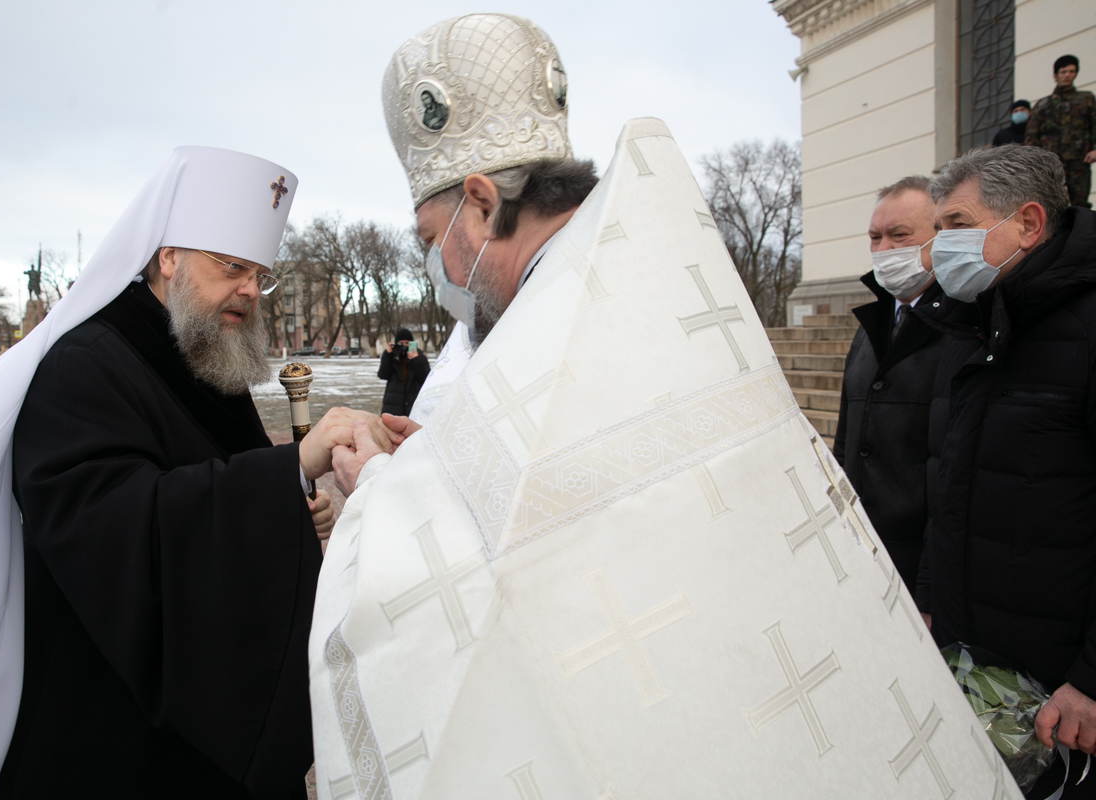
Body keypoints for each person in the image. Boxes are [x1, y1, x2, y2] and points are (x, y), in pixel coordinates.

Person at [301, 14, 1013, 798]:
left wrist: (375, 489)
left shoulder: (561, 324)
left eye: (430, 236)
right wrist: (431, 465)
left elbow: (482, 576)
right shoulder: (650, 285)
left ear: (479, 202)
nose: (435, 263)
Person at [0, 147, 401, 799]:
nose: (250, 289)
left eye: (259, 273)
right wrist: (284, 473)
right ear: (168, 259)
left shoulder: (198, 356)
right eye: (232, 266)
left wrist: (288, 506)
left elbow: (220, 486)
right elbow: (113, 533)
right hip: (105, 736)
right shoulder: (84, 367)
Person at [917, 145, 1096, 797]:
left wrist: (1091, 681)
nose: (939, 248)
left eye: (957, 225)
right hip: (986, 674)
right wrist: (933, 606)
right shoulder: (971, 330)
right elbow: (949, 488)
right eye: (936, 230)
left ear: (1027, 223)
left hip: (1068, 700)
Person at [833, 176, 944, 590]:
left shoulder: (966, 326)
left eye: (899, 236)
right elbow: (846, 439)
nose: (884, 250)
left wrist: (932, 585)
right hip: (861, 545)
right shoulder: (871, 326)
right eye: (875, 237)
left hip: (919, 561)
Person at [1026, 55, 1096, 208]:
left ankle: (1081, 232)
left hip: (1079, 162)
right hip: (1052, 164)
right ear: (1055, 75)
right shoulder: (1043, 105)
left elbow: (1094, 125)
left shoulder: (1086, 99)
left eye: (1071, 71)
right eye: (1063, 72)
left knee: (1080, 204)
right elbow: (1031, 136)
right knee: (1053, 203)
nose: (1067, 75)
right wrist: (1036, 163)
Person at [378, 328, 430, 416]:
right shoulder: (392, 358)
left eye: (407, 343)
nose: (404, 346)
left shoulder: (420, 357)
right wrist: (387, 355)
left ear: (412, 344)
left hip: (414, 404)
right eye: (400, 344)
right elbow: (383, 375)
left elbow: (426, 378)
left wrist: (416, 359)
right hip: (393, 405)